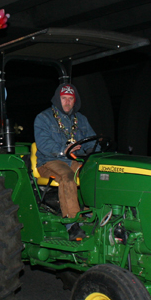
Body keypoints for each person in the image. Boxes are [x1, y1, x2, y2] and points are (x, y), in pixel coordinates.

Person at [34, 84, 98, 237]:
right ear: (58, 99)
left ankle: (92, 213)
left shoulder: (81, 120)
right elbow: (43, 144)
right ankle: (72, 223)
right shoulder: (43, 118)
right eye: (64, 99)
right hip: (50, 161)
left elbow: (91, 141)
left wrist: (92, 151)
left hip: (75, 160)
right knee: (67, 177)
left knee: (93, 173)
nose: (68, 102)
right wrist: (64, 149)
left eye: (71, 99)